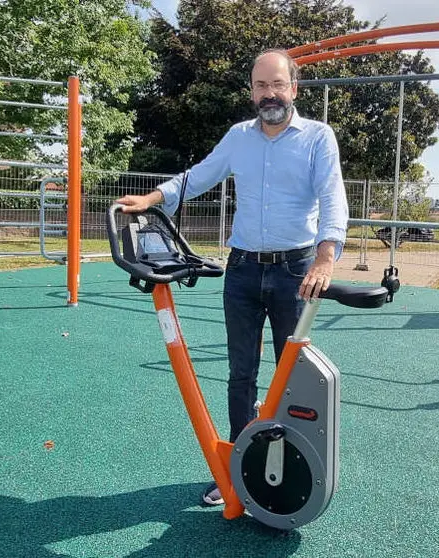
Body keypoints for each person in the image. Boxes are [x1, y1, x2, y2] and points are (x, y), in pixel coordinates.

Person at [115, 49, 349, 506]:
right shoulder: (239, 137)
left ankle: (282, 470)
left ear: (294, 88)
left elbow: (333, 196)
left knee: (290, 372)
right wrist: (152, 199)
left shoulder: (318, 138)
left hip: (295, 270)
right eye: (261, 86)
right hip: (242, 269)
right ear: (251, 91)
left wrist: (326, 257)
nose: (269, 94)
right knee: (240, 372)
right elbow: (197, 177)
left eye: (277, 85)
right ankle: (236, 466)